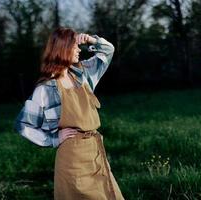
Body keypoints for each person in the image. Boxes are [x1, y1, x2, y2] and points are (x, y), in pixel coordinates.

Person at [14, 27, 124, 200]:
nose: (79, 50)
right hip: (72, 160)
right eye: (75, 46)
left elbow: (108, 50)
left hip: (96, 152)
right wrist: (53, 139)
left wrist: (92, 41)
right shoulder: (46, 89)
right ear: (63, 48)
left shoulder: (84, 74)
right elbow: (23, 125)